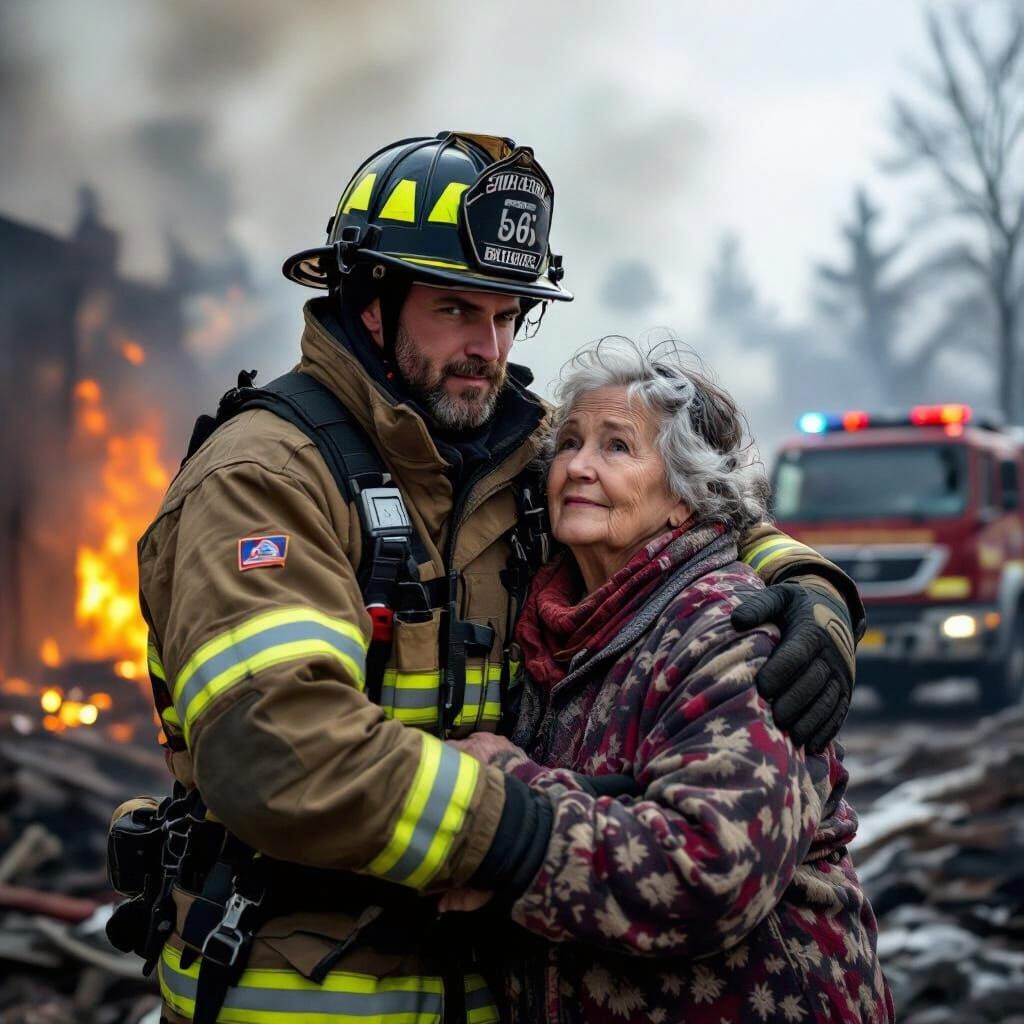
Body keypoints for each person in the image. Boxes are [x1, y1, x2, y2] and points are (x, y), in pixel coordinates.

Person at [122, 132, 865, 1023]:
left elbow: (674, 498)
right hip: (304, 993)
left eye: (509, 313)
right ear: (368, 302)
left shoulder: (508, 448)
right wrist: (512, 832)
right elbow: (276, 748)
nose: (490, 344)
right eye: (454, 308)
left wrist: (810, 582)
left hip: (483, 986)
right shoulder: (267, 478)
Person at [447, 338, 893, 1024]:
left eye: (617, 447)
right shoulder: (551, 629)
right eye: (569, 444)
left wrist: (503, 809)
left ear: (685, 497)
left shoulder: (726, 628)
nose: (579, 467)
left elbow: (716, 867)